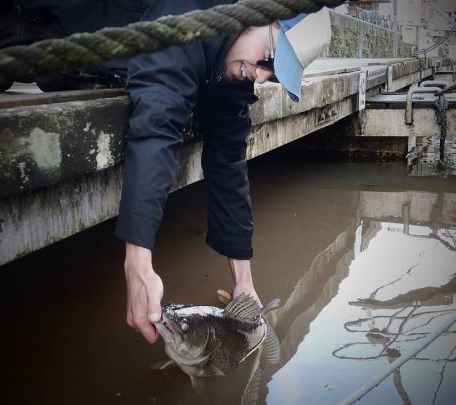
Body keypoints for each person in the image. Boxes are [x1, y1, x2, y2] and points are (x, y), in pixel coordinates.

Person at [114, 0, 333, 343]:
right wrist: (138, 263)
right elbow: (157, 124)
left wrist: (243, 282)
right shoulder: (188, 14)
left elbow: (229, 162)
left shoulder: (234, 62)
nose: (259, 75)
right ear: (254, 16)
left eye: (272, 74)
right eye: (269, 60)